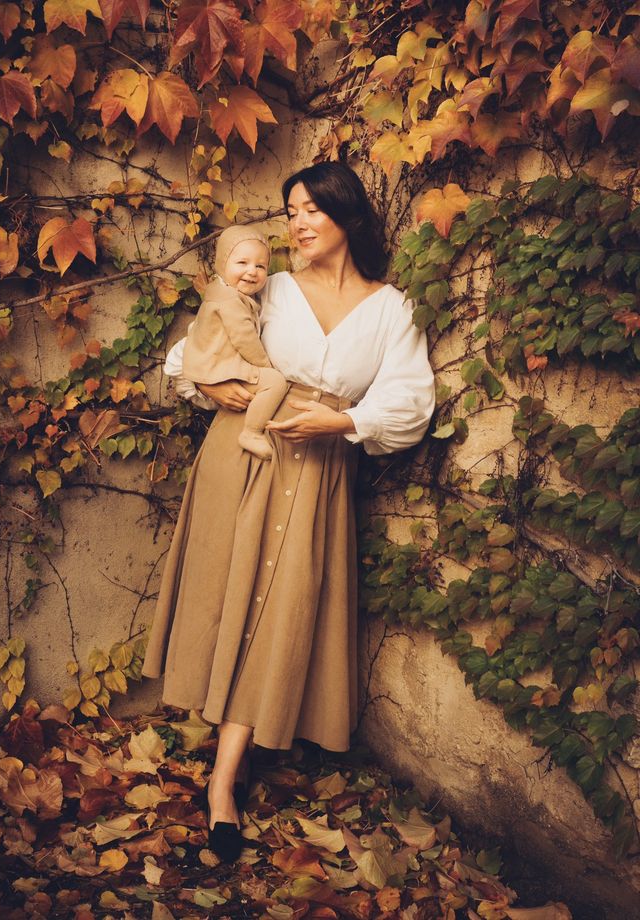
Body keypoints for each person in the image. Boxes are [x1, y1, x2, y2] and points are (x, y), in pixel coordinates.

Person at [142, 161, 436, 861]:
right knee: (230, 600)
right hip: (243, 462)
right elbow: (191, 355)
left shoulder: (391, 308)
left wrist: (341, 425)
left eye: (312, 210)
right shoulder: (265, 286)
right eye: (291, 211)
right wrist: (218, 392)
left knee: (280, 612)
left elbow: (411, 401)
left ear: (349, 218)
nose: (298, 224)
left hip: (323, 473)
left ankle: (225, 775)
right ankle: (223, 784)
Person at [182, 226, 289, 461]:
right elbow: (245, 339)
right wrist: (265, 366)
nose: (252, 271)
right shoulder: (231, 301)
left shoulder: (220, 293)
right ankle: (251, 433)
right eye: (242, 263)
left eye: (260, 266)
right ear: (222, 264)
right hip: (217, 368)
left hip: (208, 364)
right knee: (275, 382)